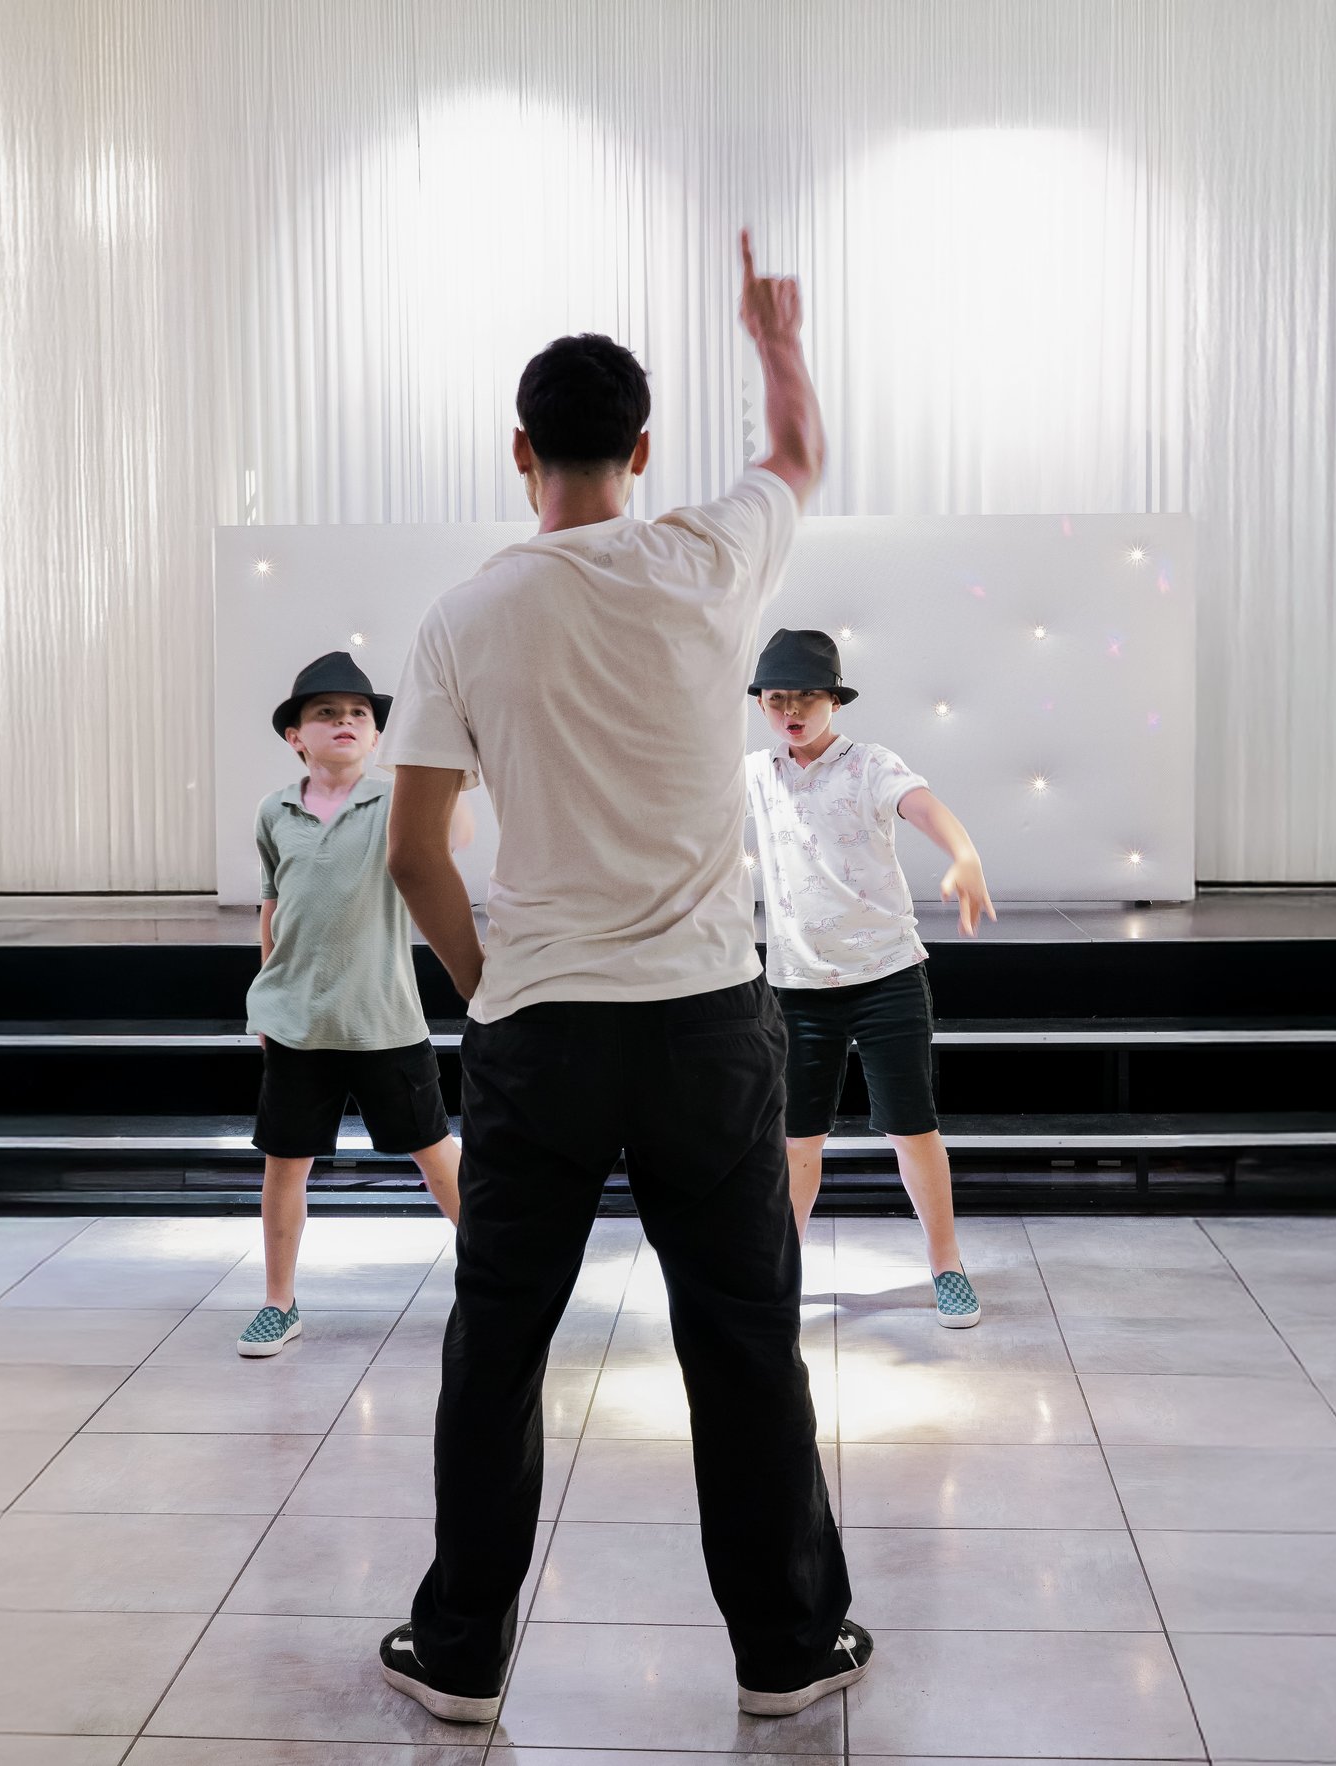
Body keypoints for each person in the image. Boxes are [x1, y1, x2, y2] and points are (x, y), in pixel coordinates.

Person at [374, 233, 866, 1725]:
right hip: (711, 1025)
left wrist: (493, 981)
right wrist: (772, 335)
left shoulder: (464, 614)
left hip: (539, 1031)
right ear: (642, 451)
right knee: (741, 1338)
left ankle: (461, 1656)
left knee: (499, 1339)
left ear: (518, 451)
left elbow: (415, 852)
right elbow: (798, 449)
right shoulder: (710, 555)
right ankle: (784, 1651)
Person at [743, 627, 994, 1324]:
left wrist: (963, 854)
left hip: (886, 973)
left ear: (834, 701)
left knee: (912, 1128)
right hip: (797, 987)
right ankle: (781, 1270)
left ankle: (946, 1264)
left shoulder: (870, 764)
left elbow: (924, 807)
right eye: (775, 699)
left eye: (805, 698)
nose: (790, 711)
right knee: (797, 1138)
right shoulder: (756, 774)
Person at [240, 650, 465, 1356]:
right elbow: (272, 910)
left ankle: (497, 1284)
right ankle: (279, 1301)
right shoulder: (273, 811)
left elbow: (449, 841)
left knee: (438, 1158)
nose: (344, 722)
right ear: (295, 736)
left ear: (376, 737)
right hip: (297, 1025)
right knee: (286, 1166)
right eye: (325, 713)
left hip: (384, 1022)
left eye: (358, 714)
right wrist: (265, 999)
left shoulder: (398, 801)